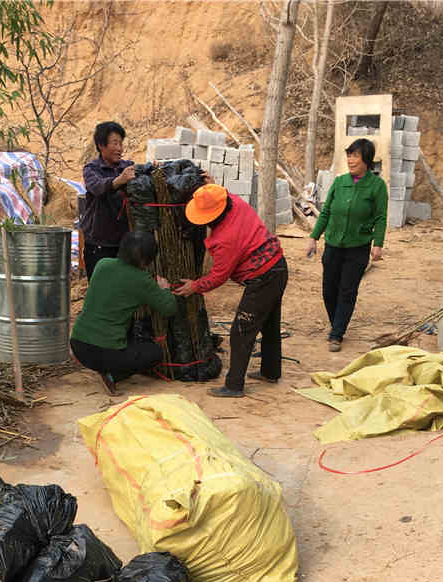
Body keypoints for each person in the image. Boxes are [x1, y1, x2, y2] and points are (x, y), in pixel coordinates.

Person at [174, 183, 288, 398]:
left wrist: (194, 286)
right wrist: (209, 191)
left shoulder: (225, 239)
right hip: (278, 267)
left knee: (241, 331)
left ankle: (234, 386)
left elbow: (218, 276)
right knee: (269, 325)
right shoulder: (235, 202)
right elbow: (221, 194)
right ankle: (270, 372)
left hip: (263, 279)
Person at [306, 138, 388, 352]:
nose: (350, 160)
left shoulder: (377, 186)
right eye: (349, 155)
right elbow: (326, 212)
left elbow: (380, 217)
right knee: (328, 290)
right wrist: (314, 237)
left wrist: (378, 244)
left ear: (366, 160)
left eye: (355, 156)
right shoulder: (339, 182)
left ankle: (337, 333)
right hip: (333, 244)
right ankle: (337, 323)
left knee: (347, 291)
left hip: (358, 247)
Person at [70, 231, 176, 395]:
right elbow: (169, 308)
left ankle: (105, 366)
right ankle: (112, 375)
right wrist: (165, 289)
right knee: (155, 353)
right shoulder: (142, 280)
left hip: (78, 344)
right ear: (146, 260)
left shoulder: (103, 264)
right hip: (104, 352)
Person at [80, 121, 136, 280]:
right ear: (101, 145)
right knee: (100, 286)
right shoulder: (91, 169)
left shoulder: (127, 167)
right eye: (115, 143)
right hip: (98, 243)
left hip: (123, 242)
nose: (120, 148)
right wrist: (119, 180)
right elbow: (97, 187)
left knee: (121, 287)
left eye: (121, 143)